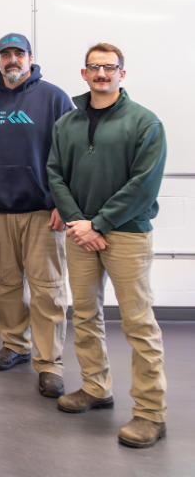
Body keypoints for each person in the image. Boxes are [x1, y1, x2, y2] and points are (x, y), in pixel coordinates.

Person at [47, 43, 168, 448]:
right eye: (94, 68)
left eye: (110, 68)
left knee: (138, 323)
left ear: (122, 74)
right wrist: (81, 224)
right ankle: (96, 388)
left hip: (127, 233)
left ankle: (151, 413)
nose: (102, 74)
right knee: (84, 314)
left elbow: (143, 184)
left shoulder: (144, 122)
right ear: (84, 74)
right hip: (81, 232)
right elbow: (55, 174)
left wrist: (96, 223)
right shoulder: (68, 122)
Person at [0, 33, 74, 398]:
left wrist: (65, 202)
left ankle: (49, 363)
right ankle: (14, 345)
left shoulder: (55, 98)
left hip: (44, 211)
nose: (12, 60)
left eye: (18, 54)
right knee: (8, 283)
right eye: (5, 55)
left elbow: (70, 154)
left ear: (30, 58)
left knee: (47, 290)